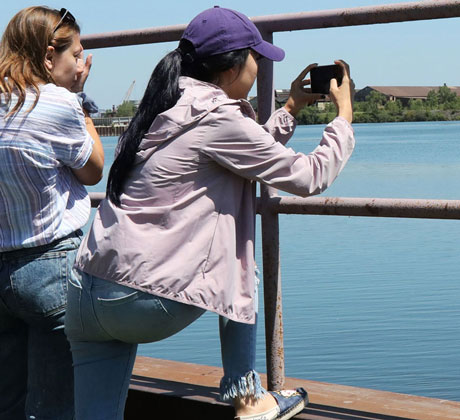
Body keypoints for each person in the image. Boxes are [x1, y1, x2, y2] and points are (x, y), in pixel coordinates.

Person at [65, 6, 354, 420]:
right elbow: (308, 176)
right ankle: (249, 398)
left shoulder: (161, 106)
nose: (258, 65)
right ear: (233, 64)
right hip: (141, 302)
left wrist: (290, 107)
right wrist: (344, 116)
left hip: (86, 294)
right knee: (240, 263)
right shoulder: (217, 116)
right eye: (256, 56)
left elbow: (238, 153)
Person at [0, 6, 104, 420]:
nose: (81, 63)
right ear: (48, 57)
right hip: (50, 268)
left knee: (8, 403)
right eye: (76, 54)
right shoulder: (58, 103)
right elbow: (95, 169)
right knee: (55, 409)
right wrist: (78, 99)